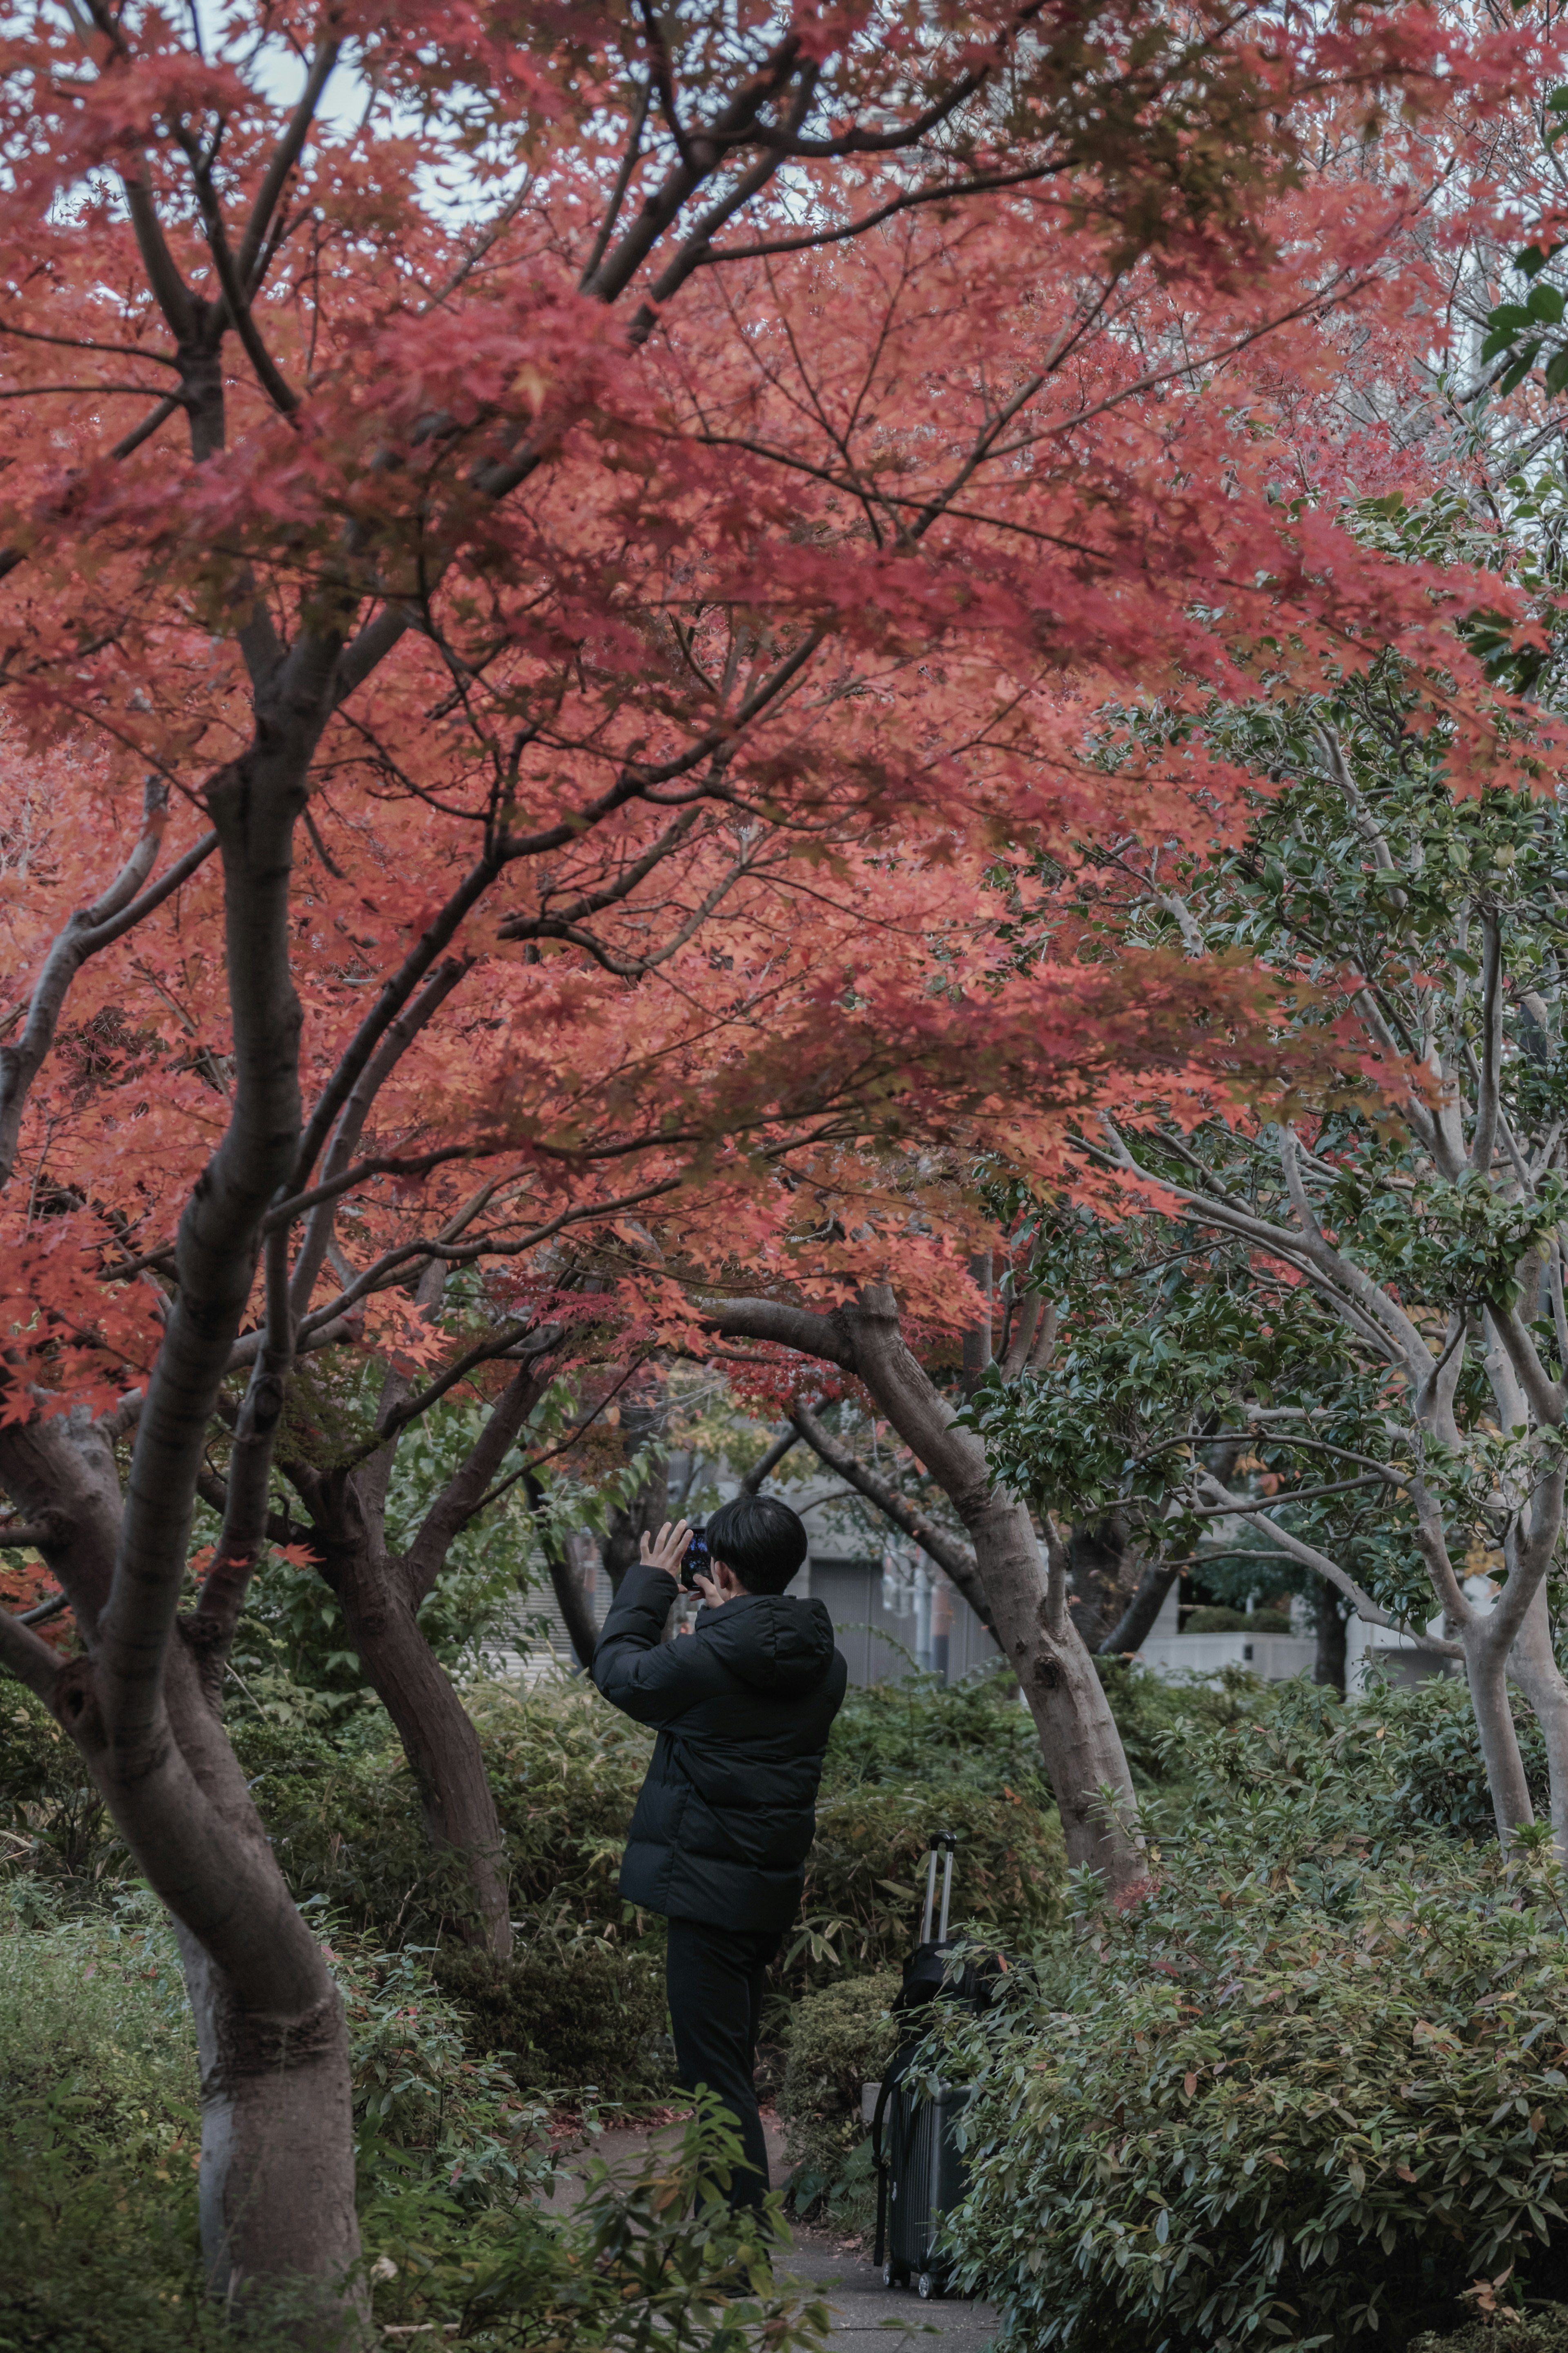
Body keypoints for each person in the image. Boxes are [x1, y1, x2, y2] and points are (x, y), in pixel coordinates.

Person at [591, 1492, 847, 2209]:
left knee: (715, 2078)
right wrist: (722, 1609)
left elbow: (618, 1673)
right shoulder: (825, 1665)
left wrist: (648, 1581)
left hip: (703, 1892)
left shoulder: (705, 1659)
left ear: (721, 1568)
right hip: (762, 1891)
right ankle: (722, 2229)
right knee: (728, 2064)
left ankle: (733, 2249)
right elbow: (748, 1663)